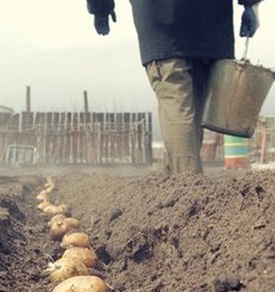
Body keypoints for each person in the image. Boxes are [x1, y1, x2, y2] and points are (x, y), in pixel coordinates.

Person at [86, 0, 262, 174]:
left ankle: (190, 188)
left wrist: (100, 8)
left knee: (178, 106)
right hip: (211, 23)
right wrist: (250, 6)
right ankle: (176, 185)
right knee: (193, 116)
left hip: (164, 27)